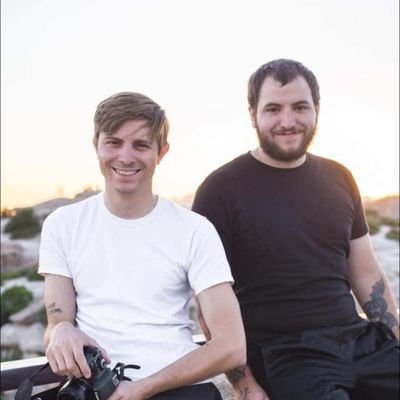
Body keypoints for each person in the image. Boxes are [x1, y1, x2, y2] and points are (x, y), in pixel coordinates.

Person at [192, 59, 399, 400]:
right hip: (285, 355)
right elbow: (208, 303)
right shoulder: (220, 189)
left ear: (316, 109)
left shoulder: (340, 177)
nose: (287, 122)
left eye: (300, 107)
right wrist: (244, 387)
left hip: (360, 343)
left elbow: (367, 273)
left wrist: (393, 346)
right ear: (252, 114)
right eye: (273, 109)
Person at [38, 91, 246, 400]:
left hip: (178, 390)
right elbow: (58, 322)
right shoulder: (62, 224)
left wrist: (141, 389)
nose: (125, 156)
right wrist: (59, 332)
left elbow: (231, 346)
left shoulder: (194, 230)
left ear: (161, 152)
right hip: (95, 390)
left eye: (140, 145)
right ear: (96, 144)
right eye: (114, 142)